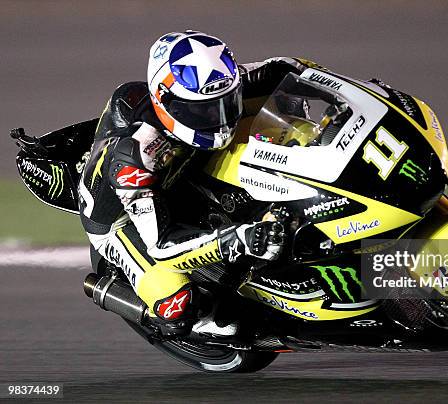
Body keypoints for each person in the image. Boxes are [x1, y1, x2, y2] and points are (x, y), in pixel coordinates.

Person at [77, 30, 319, 336]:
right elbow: (163, 244)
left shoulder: (219, 84)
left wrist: (369, 94)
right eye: (201, 110)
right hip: (122, 219)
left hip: (182, 168)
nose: (217, 118)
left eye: (224, 103)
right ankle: (152, 309)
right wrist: (238, 238)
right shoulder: (134, 157)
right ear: (168, 103)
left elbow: (296, 69)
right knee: (176, 306)